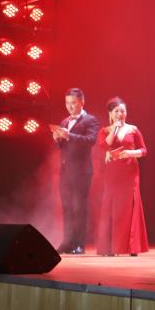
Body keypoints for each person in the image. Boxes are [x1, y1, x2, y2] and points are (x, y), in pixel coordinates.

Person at [96, 97, 149, 256]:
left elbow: (144, 150)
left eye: (123, 111)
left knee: (130, 206)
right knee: (112, 206)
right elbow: (103, 145)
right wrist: (114, 130)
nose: (120, 114)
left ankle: (132, 247)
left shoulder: (133, 129)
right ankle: (110, 247)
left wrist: (130, 153)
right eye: (117, 111)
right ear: (110, 114)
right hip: (112, 173)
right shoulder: (105, 131)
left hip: (130, 171)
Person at [51, 88, 100, 254]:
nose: (70, 106)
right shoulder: (65, 121)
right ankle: (67, 242)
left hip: (82, 171)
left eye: (73, 103)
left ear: (82, 103)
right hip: (66, 171)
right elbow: (64, 147)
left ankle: (79, 244)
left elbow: (91, 140)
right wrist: (58, 139)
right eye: (67, 103)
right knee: (67, 208)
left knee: (79, 208)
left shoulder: (90, 120)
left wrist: (69, 136)